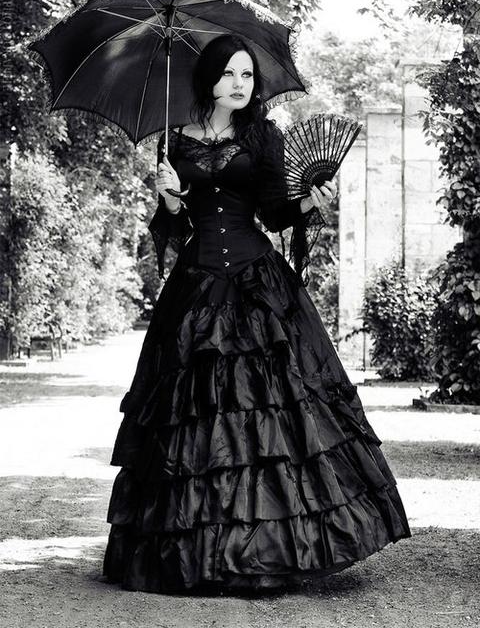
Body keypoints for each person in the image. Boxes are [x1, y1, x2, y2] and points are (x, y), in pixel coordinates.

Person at [102, 34, 411, 595]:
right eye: (229, 73)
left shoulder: (263, 136)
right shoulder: (175, 140)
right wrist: (170, 198)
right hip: (197, 285)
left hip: (256, 282)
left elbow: (274, 210)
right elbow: (174, 226)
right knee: (195, 415)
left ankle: (269, 548)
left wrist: (307, 202)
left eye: (247, 74)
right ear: (209, 78)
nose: (240, 84)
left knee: (273, 411)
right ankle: (200, 553)